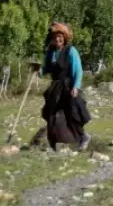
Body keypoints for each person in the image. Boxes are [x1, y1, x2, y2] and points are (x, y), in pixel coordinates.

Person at [40, 22, 92, 151]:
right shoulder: (50, 52)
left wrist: (76, 87)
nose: (57, 39)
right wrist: (38, 70)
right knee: (51, 115)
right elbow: (45, 69)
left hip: (68, 87)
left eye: (60, 36)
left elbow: (78, 71)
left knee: (71, 113)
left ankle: (83, 136)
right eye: (55, 37)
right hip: (55, 89)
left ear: (64, 37)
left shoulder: (71, 51)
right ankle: (53, 144)